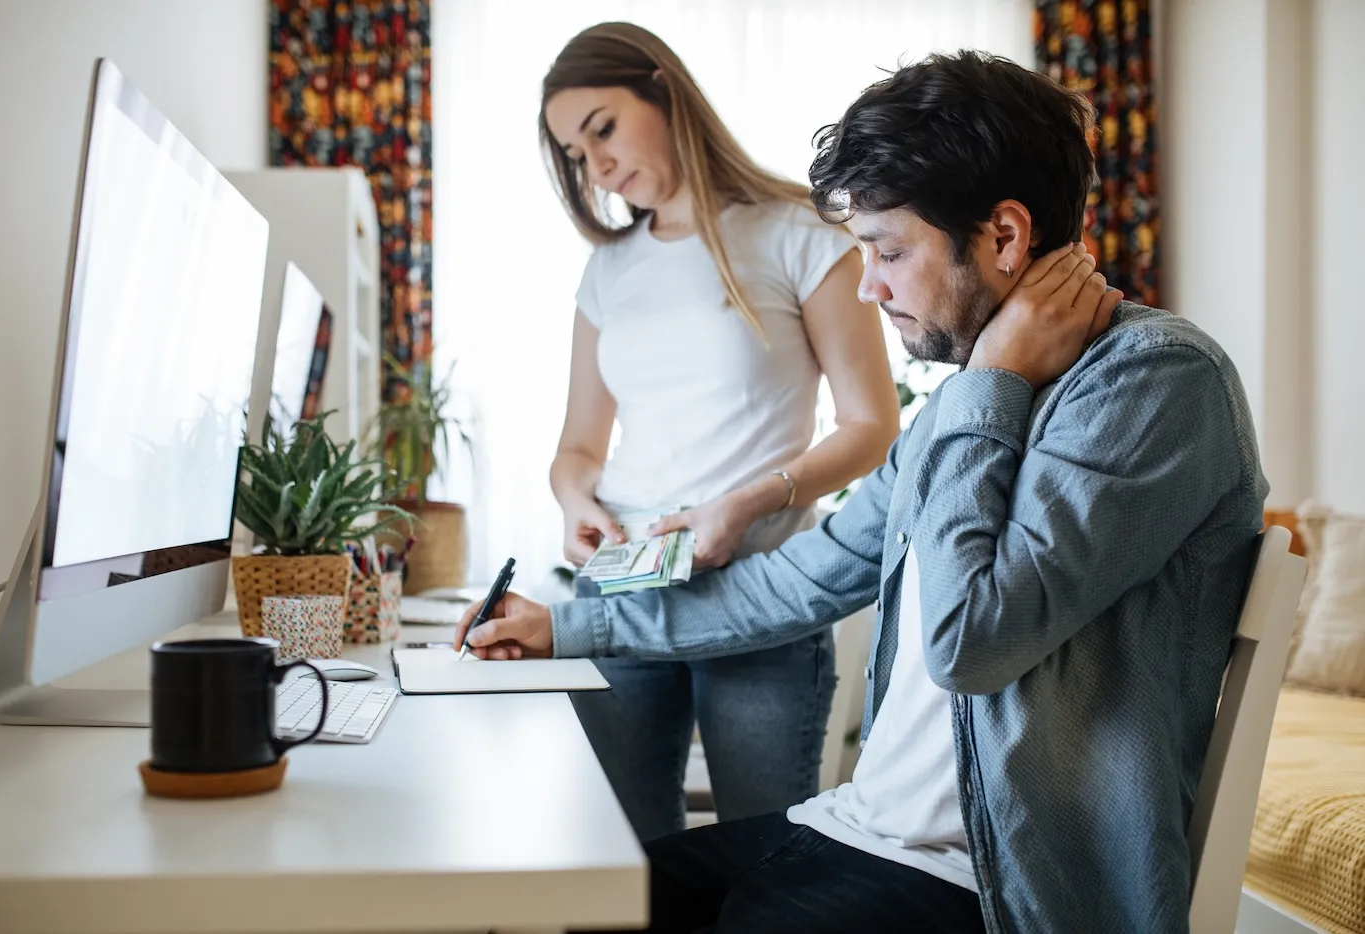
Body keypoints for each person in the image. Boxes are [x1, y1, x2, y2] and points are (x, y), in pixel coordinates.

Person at [462, 50, 1268, 934]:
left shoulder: (1155, 383)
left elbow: (970, 640)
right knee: (573, 902)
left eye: (888, 250)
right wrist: (565, 624)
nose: (869, 285)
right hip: (854, 831)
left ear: (1004, 236)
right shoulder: (958, 410)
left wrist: (987, 383)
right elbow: (797, 579)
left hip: (995, 889)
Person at [538, 22, 900, 842]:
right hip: (623, 590)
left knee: (760, 857)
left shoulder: (799, 234)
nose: (594, 165)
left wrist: (745, 503)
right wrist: (573, 504)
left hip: (759, 590)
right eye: (573, 151)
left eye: (602, 128)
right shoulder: (608, 271)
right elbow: (579, 450)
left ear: (664, 89)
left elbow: (874, 426)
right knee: (628, 862)